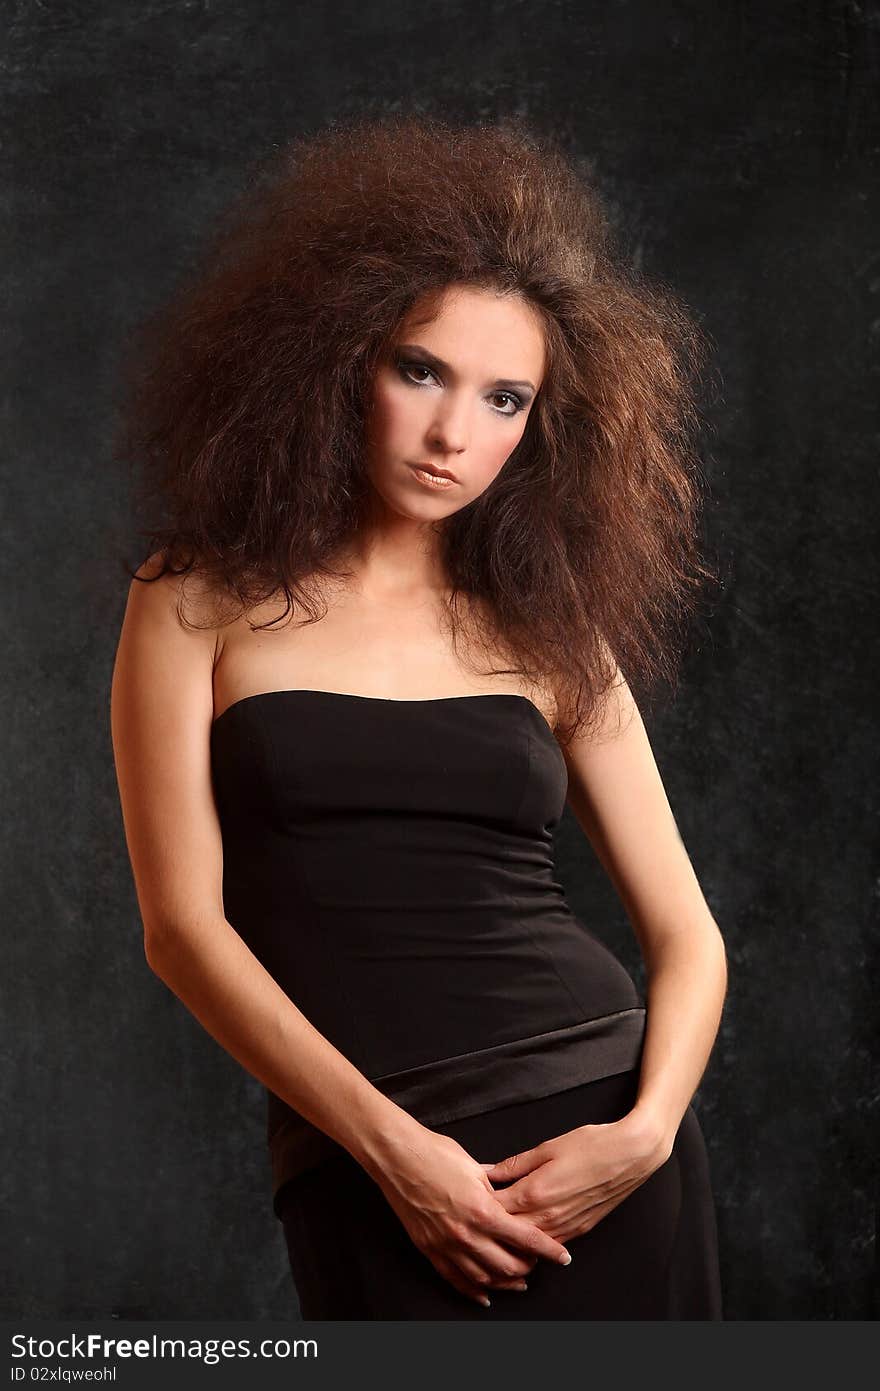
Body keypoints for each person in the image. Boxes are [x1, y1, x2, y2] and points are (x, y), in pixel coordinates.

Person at [110, 113, 727, 1319]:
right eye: (421, 370)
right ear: (341, 358)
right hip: (368, 1156)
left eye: (505, 399)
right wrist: (394, 1152)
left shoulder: (550, 631)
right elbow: (181, 929)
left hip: (597, 1145)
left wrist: (647, 1130)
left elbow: (690, 936)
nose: (455, 435)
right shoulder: (193, 594)